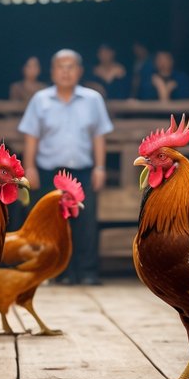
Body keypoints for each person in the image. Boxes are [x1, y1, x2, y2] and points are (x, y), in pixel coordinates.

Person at [18, 49, 113, 285]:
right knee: (52, 225)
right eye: (61, 66)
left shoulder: (93, 99)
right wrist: (29, 168)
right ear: (52, 72)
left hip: (83, 171)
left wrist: (100, 167)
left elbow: (99, 136)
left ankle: (88, 272)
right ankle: (57, 273)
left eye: (71, 66)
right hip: (48, 169)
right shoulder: (40, 100)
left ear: (80, 71)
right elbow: (31, 137)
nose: (66, 71)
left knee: (86, 221)